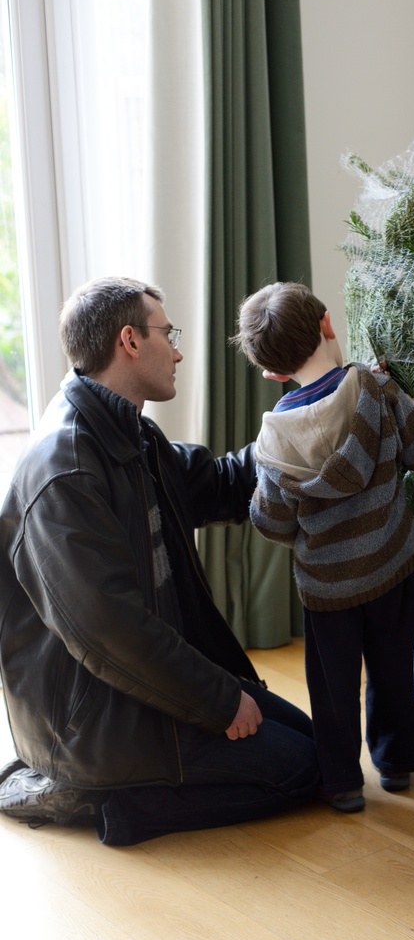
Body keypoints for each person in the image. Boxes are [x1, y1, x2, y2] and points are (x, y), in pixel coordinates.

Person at [0, 276, 320, 845]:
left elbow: (221, 482)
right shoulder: (67, 472)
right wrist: (220, 700)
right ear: (129, 340)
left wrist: (315, 414)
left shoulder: (129, 435)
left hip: (138, 683)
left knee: (320, 746)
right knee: (307, 769)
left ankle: (120, 787)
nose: (176, 352)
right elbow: (109, 634)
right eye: (167, 334)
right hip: (93, 718)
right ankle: (109, 802)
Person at [233, 281, 414, 812]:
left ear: (272, 373)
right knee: (395, 669)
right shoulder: (377, 390)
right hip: (390, 566)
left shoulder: (272, 443)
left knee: (332, 687)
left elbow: (271, 521)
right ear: (328, 324)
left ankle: (343, 782)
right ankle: (399, 762)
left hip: (325, 588)